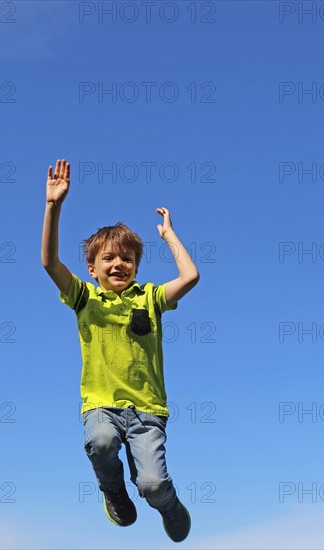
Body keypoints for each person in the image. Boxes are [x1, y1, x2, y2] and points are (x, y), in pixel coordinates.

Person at [41, 158, 200, 542]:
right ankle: (112, 490)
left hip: (146, 410)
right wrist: (54, 205)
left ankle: (168, 504)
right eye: (108, 258)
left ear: (136, 267)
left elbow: (190, 276)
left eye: (127, 259)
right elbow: (49, 262)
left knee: (152, 483)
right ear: (92, 268)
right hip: (101, 404)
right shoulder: (84, 298)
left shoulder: (149, 298)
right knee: (101, 442)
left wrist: (169, 236)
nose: (119, 264)